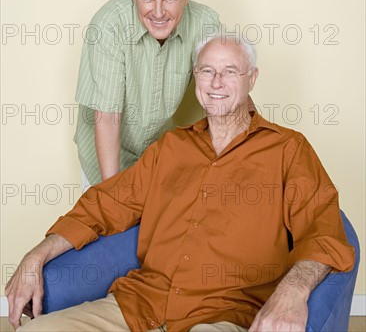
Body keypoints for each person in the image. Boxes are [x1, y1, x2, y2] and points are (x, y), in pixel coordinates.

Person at [6, 33, 355, 332]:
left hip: (223, 313)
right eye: (207, 71)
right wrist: (35, 257)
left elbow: (324, 233)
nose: (216, 83)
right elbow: (104, 205)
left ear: (252, 78)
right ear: (196, 78)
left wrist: (293, 291)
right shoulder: (171, 147)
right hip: (140, 304)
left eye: (229, 71)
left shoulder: (288, 149)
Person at [74, 0, 220, 186]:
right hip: (105, 157)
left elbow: (226, 90)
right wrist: (112, 197)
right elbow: (107, 118)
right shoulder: (109, 25)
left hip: (156, 158)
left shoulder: (205, 23)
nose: (159, 12)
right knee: (112, 220)